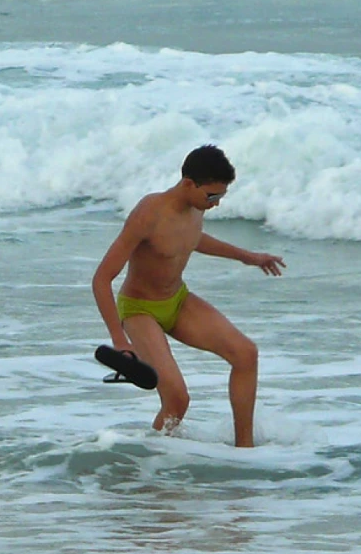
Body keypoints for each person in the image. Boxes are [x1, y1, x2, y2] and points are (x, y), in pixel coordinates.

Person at [91, 144, 284, 448]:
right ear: (188, 184)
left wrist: (249, 257)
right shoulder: (149, 214)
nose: (216, 204)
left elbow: (192, 239)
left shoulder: (195, 209)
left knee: (246, 354)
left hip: (178, 301)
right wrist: (119, 339)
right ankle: (150, 462)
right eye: (212, 196)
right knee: (177, 399)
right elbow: (102, 279)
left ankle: (244, 450)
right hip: (140, 310)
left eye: (220, 197)